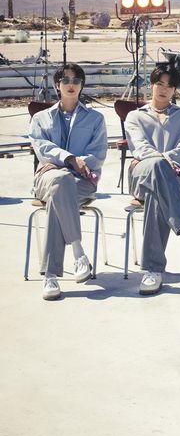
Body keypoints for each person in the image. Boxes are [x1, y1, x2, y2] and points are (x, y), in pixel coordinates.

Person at [125, 63, 180, 295]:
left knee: (157, 195)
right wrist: (165, 161)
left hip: (174, 180)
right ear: (151, 85)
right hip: (141, 177)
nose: (163, 89)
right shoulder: (135, 117)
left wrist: (163, 163)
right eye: (159, 84)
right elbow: (140, 149)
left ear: (175, 90)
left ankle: (153, 271)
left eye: (169, 85)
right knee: (156, 167)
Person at [29, 63, 107, 301]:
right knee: (60, 182)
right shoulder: (40, 118)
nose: (70, 85)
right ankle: (78, 251)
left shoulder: (96, 118)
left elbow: (97, 155)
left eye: (76, 81)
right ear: (57, 85)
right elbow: (42, 148)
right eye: (65, 80)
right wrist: (71, 159)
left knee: (59, 193)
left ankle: (51, 275)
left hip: (82, 181)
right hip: (47, 178)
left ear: (82, 85)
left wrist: (66, 164)